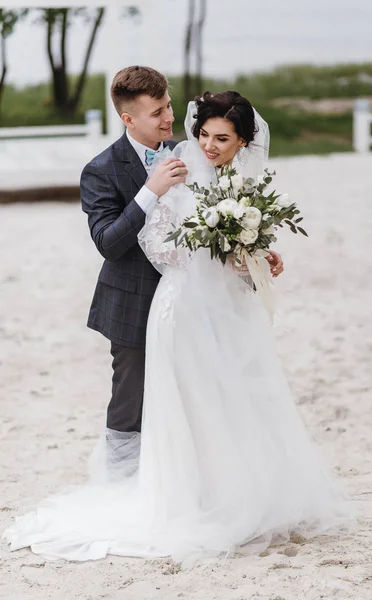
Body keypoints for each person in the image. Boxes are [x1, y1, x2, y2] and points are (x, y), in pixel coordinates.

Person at [3, 90, 352, 563]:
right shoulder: (171, 168)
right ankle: (181, 497)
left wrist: (252, 258)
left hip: (226, 306)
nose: (206, 144)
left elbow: (233, 256)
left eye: (220, 138)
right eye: (203, 133)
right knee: (177, 397)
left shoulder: (244, 181)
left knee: (234, 393)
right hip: (180, 302)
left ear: (243, 142)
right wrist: (213, 246)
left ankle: (238, 493)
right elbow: (156, 243)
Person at [79, 66, 283, 472]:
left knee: (198, 394)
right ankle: (121, 482)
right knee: (130, 397)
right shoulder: (101, 169)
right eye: (157, 112)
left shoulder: (190, 154)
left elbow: (214, 225)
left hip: (200, 303)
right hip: (134, 303)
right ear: (128, 119)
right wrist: (149, 191)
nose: (170, 118)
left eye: (168, 105)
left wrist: (253, 254)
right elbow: (108, 243)